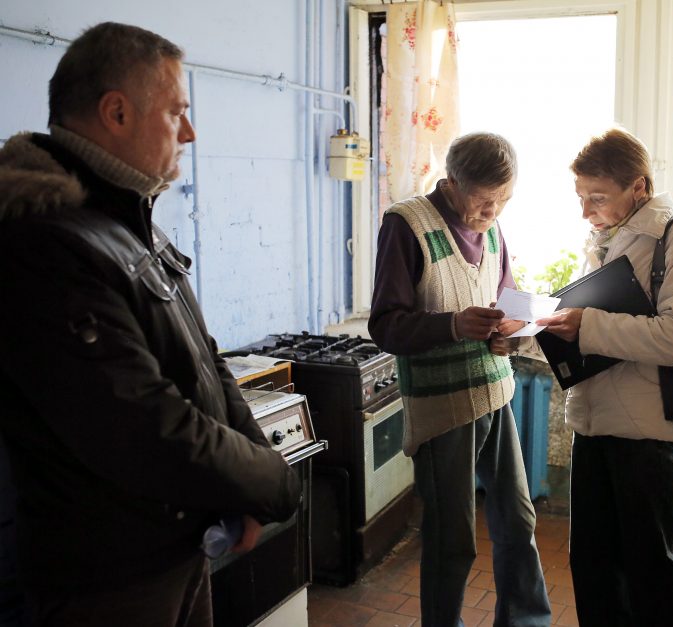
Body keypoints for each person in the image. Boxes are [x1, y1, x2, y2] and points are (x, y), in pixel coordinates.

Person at [0, 22, 301, 627]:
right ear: (116, 112)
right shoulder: (43, 241)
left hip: (174, 544)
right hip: (105, 574)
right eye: (176, 112)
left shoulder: (127, 220)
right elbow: (144, 425)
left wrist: (245, 480)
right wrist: (271, 480)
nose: (189, 131)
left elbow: (207, 362)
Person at [369, 132, 551, 627]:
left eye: (505, 200)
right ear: (451, 184)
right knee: (452, 537)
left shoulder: (492, 227)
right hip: (442, 408)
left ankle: (525, 622)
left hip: (496, 392)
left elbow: (506, 295)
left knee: (518, 520)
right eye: (484, 199)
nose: (493, 211)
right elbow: (385, 324)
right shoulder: (406, 224)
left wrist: (509, 334)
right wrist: (451, 325)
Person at [534, 127, 673, 626]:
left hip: (648, 432)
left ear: (639, 187)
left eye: (597, 197)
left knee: (654, 572)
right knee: (593, 565)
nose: (586, 211)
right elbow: (590, 320)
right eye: (580, 197)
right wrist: (531, 330)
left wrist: (586, 325)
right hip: (593, 425)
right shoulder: (605, 239)